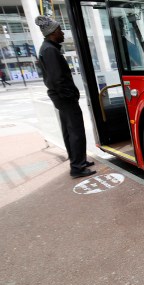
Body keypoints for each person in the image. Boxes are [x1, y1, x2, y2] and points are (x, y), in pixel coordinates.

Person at [35, 15, 96, 178]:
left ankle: (78, 161)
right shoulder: (50, 50)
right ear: (53, 32)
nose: (63, 33)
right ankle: (77, 167)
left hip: (61, 98)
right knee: (76, 131)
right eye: (60, 30)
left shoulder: (47, 48)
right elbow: (57, 79)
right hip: (65, 98)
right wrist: (70, 95)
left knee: (69, 130)